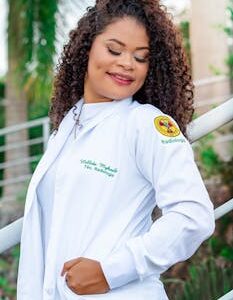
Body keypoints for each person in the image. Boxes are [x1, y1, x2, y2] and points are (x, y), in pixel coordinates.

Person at [17, 0, 215, 299]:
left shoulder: (146, 124)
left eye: (141, 57)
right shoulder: (67, 128)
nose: (127, 63)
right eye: (114, 50)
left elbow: (193, 216)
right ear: (86, 49)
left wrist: (111, 271)